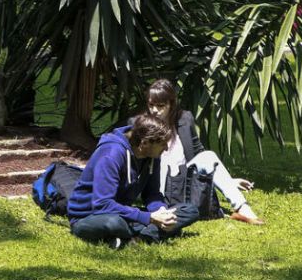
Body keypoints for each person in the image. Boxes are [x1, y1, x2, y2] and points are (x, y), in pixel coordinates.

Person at [67, 114, 200, 249]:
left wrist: (161, 211)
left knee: (190, 210)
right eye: (162, 144)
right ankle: (148, 234)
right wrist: (149, 218)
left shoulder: (152, 155)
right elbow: (102, 204)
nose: (166, 148)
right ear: (144, 143)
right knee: (114, 223)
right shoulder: (111, 155)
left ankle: (131, 239)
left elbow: (152, 193)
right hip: (90, 216)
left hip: (124, 212)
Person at [145, 79, 264, 225]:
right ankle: (163, 209)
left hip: (186, 181)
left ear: (171, 104)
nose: (155, 110)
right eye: (151, 105)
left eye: (160, 106)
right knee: (159, 162)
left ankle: (242, 208)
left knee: (208, 156)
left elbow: (198, 153)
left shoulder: (184, 119)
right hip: (161, 181)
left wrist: (228, 181)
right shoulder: (146, 125)